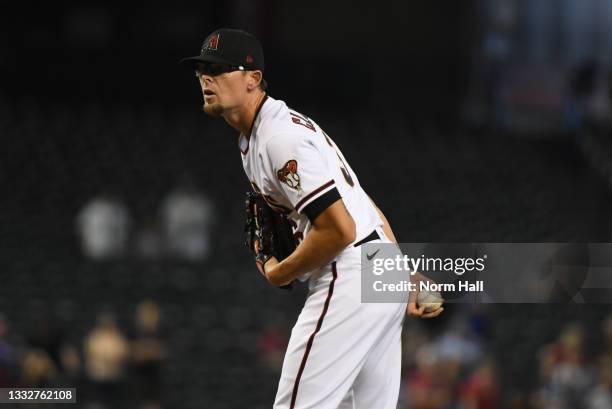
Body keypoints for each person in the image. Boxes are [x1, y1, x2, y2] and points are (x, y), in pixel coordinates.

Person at [181, 28, 443, 409]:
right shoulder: (262, 134)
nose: (207, 77)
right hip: (377, 268)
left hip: (350, 272)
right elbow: (360, 200)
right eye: (202, 69)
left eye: (220, 69)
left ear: (253, 79)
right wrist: (401, 272)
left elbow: (340, 229)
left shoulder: (278, 137)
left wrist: (280, 272)